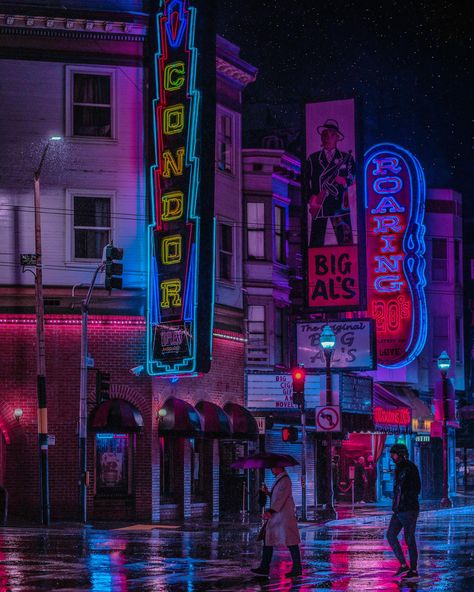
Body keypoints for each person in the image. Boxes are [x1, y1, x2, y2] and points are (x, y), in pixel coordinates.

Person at [306, 119, 355, 247]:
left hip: (339, 206)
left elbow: (353, 176)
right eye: (324, 135)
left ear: (337, 137)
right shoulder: (313, 159)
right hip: (320, 206)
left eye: (331, 135)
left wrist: (344, 180)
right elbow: (305, 182)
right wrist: (311, 198)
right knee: (315, 246)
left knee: (346, 245)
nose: (327, 138)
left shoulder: (347, 158)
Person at [251, 467, 302, 578]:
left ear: (279, 467)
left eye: (273, 467)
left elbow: (281, 498)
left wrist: (271, 511)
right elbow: (277, 496)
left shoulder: (285, 480)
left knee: (291, 541)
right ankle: (264, 567)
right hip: (278, 516)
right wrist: (268, 493)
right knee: (268, 539)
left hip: (284, 516)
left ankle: (297, 568)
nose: (271, 470)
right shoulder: (280, 479)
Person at [386, 443, 421, 580]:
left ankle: (413, 569)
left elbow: (415, 488)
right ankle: (403, 564)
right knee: (391, 535)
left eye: (393, 454)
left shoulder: (409, 468)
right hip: (400, 509)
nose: (391, 456)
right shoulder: (400, 468)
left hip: (409, 508)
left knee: (409, 538)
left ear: (399, 454)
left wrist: (405, 500)